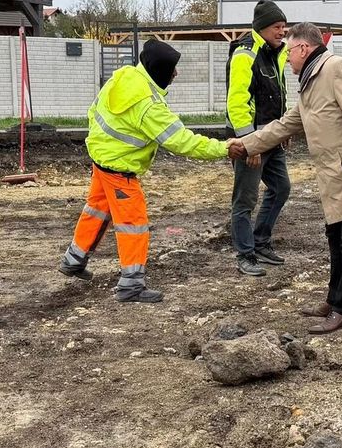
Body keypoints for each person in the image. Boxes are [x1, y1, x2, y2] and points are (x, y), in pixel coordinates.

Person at [241, 22, 342, 334]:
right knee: (336, 240)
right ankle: (334, 300)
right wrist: (246, 144)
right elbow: (286, 124)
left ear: (304, 48)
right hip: (337, 180)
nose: (288, 58)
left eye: (290, 52)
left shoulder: (338, 69)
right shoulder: (311, 79)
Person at [60, 40, 246, 303]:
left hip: (101, 159)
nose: (176, 74)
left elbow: (94, 111)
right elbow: (183, 141)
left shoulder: (125, 76)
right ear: (160, 71)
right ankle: (131, 286)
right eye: (172, 69)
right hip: (120, 170)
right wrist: (224, 148)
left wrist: (101, 148)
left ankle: (73, 259)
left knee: (96, 210)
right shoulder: (148, 106)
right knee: (133, 225)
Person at [227, 0, 292, 277]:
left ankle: (261, 242)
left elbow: (279, 92)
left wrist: (283, 129)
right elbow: (237, 103)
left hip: (271, 137)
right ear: (263, 27)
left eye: (284, 26)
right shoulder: (246, 54)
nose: (283, 31)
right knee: (244, 200)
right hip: (250, 141)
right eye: (278, 27)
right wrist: (249, 143)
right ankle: (245, 254)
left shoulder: (276, 52)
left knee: (281, 188)